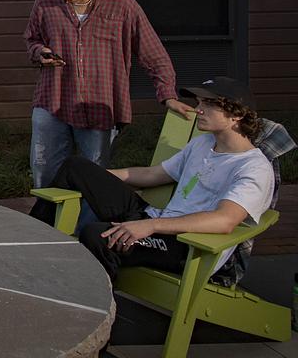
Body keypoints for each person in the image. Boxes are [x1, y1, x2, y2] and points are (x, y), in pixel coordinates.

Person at [29, 78, 274, 281]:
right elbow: (153, 174)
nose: (199, 109)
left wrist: (151, 226)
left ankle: (102, 312)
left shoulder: (253, 168)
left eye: (209, 105)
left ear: (236, 116)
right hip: (154, 219)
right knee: (76, 167)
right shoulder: (203, 144)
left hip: (185, 245)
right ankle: (28, 241)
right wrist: (95, 179)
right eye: (199, 103)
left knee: (97, 235)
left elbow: (224, 220)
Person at [24, 0, 191, 189]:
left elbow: (154, 54)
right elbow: (32, 39)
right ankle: (45, 215)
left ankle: (88, 216)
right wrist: (40, 52)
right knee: (44, 172)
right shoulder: (44, 2)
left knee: (94, 177)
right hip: (53, 100)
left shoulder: (123, 5)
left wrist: (168, 96)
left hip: (100, 105)